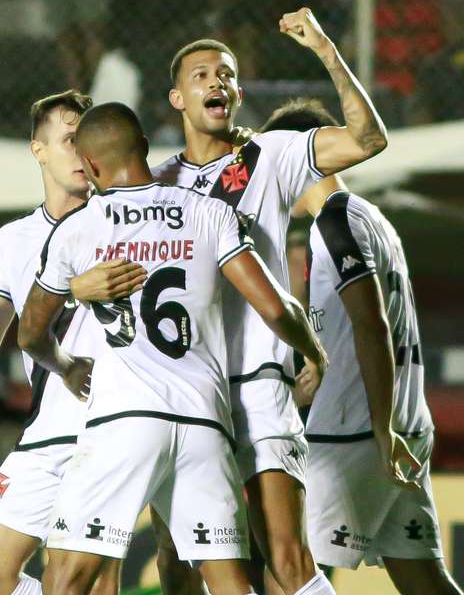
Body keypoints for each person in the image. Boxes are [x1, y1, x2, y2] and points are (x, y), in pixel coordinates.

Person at [67, 7, 388, 595]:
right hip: (190, 394)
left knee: (286, 557)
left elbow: (369, 139)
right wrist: (75, 288)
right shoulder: (156, 183)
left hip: (261, 384)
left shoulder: (272, 155)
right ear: (176, 99)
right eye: (201, 75)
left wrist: (324, 50)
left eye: (227, 73)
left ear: (237, 92)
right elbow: (84, 248)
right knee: (177, 556)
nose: (218, 81)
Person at [19, 102, 327, 595]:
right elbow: (274, 307)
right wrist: (314, 351)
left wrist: (68, 367)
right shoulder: (210, 213)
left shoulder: (76, 230)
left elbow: (30, 333)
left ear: (91, 166)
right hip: (205, 424)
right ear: (144, 148)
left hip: (126, 422)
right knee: (228, 582)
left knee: (66, 576)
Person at [0, 90, 132, 595]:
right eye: (68, 140)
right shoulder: (13, 239)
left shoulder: (120, 223)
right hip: (45, 430)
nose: (81, 153)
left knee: (92, 582)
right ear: (37, 150)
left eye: (86, 141)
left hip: (108, 426)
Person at [263, 98, 464, 594]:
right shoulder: (373, 219)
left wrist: (378, 428)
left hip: (357, 434)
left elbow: (372, 325)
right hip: (402, 423)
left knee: (286, 569)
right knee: (423, 579)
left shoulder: (333, 223)